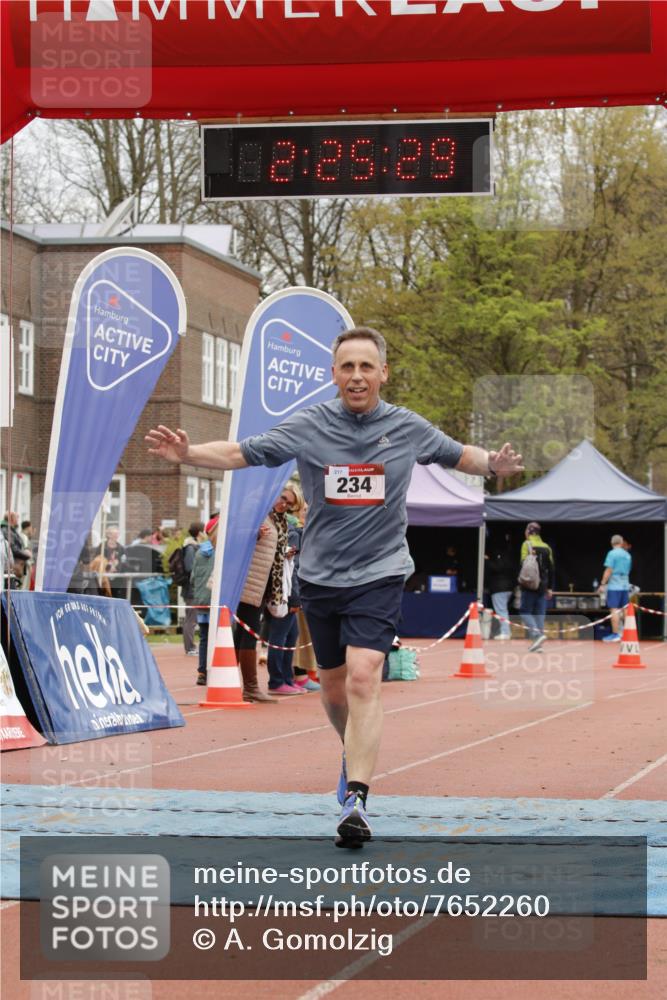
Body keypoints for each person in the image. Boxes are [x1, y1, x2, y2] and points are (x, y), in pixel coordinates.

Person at [146, 325, 523, 847]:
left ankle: (357, 799)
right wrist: (189, 454)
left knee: (365, 676)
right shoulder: (310, 426)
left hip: (380, 573)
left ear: (383, 373)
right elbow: (241, 453)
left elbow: (460, 455)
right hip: (321, 577)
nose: (357, 376)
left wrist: (494, 464)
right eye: (347, 367)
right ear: (334, 375)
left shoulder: (406, 427)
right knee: (333, 687)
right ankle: (355, 749)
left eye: (367, 366)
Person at [190, 516, 218, 685]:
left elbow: (193, 577)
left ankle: (202, 672)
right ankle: (217, 670)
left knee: (204, 638)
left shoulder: (199, 552)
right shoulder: (220, 551)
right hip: (215, 600)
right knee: (219, 637)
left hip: (201, 599)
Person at [519, 522, 554, 653]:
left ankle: (537, 635)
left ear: (528, 531)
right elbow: (551, 568)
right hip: (543, 585)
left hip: (530, 584)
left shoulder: (526, 544)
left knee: (525, 611)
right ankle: (538, 645)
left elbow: (523, 563)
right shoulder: (547, 547)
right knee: (540, 614)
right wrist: (550, 587)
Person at [599, 534, 632, 642]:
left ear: (612, 543)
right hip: (625, 584)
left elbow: (609, 569)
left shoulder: (612, 553)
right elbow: (629, 569)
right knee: (625, 609)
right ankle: (628, 633)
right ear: (621, 543)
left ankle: (616, 634)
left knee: (614, 609)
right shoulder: (627, 555)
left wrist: (603, 583)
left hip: (614, 585)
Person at [181, 521, 205, 657]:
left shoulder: (195, 546)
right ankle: (189, 647)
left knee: (191, 618)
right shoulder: (190, 548)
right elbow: (189, 567)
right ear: (200, 532)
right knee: (191, 618)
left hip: (193, 588)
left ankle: (190, 646)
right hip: (191, 589)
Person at [486, 533, 515, 640]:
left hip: (499, 587)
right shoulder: (509, 555)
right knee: (503, 609)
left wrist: (487, 561)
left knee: (501, 610)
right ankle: (506, 631)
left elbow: (497, 568)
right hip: (508, 587)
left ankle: (505, 632)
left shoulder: (498, 555)